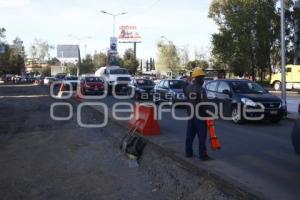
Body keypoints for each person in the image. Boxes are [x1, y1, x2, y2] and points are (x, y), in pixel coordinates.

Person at [184, 68, 209, 161]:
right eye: (202, 78)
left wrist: (186, 81)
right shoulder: (201, 89)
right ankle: (202, 155)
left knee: (190, 135)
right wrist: (208, 113)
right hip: (200, 116)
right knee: (202, 137)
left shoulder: (188, 88)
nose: (203, 80)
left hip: (191, 115)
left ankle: (188, 152)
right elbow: (204, 104)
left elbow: (185, 93)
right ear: (198, 78)